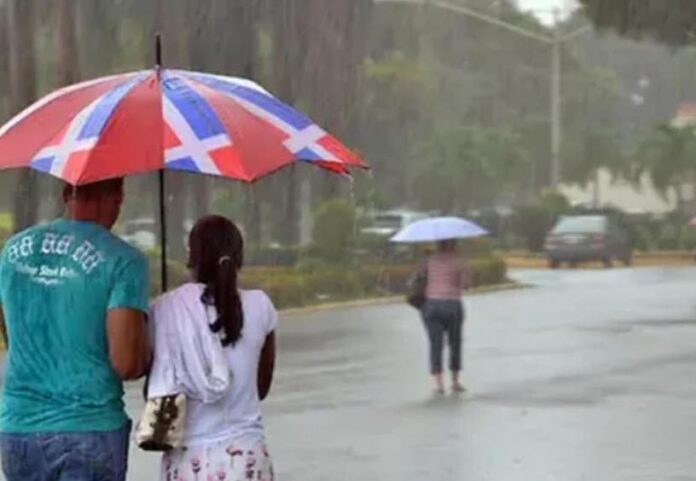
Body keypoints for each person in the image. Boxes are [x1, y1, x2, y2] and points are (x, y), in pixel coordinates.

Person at [0, 178, 150, 480]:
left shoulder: (12, 251)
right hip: (89, 427)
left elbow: (10, 332)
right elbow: (126, 363)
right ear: (117, 197)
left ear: (66, 193)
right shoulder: (124, 261)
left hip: (18, 429)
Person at [148, 215, 277, 481]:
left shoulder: (166, 309)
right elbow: (261, 387)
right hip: (247, 460)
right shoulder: (261, 306)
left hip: (187, 461)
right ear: (238, 257)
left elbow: (156, 387)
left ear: (191, 257)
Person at [419, 239, 469, 395]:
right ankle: (455, 381)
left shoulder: (428, 260)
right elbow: (467, 285)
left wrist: (427, 258)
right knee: (455, 343)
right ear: (454, 244)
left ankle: (438, 384)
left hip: (432, 305)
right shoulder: (459, 261)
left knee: (436, 344)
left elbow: (418, 277)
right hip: (453, 305)